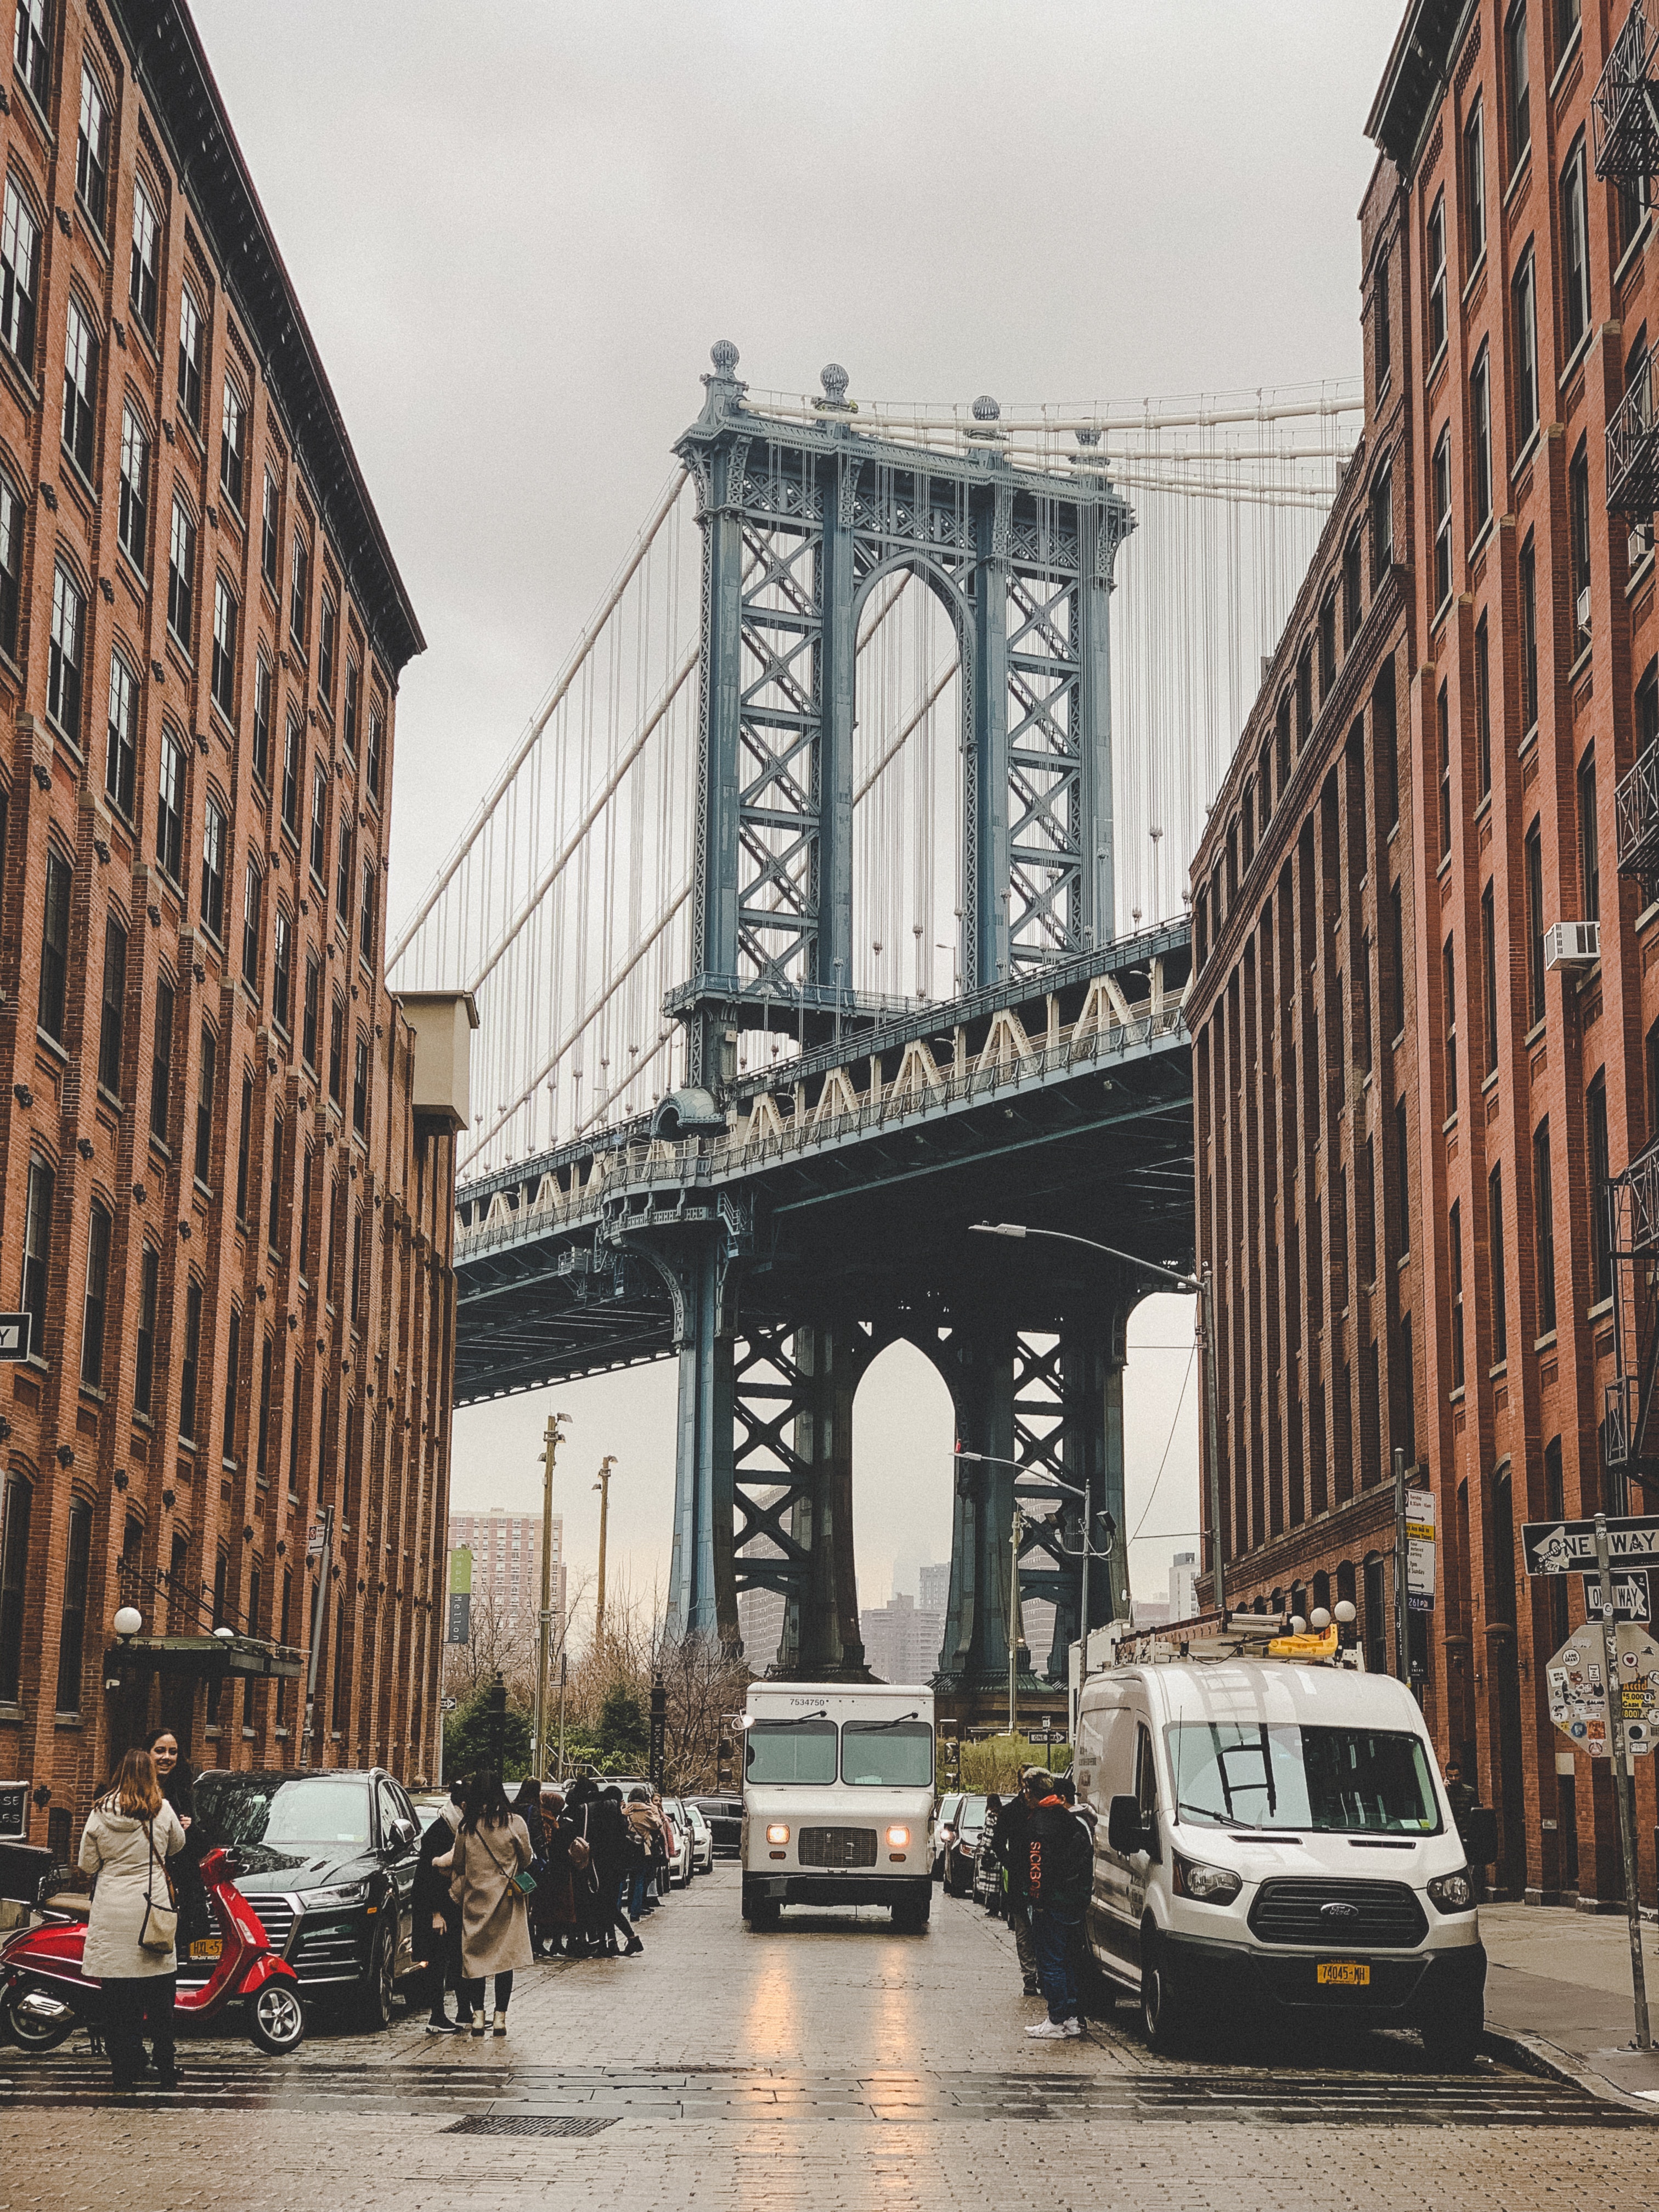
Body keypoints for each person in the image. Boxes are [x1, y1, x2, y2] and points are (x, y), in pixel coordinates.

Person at [79, 1747, 188, 2090]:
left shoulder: (99, 1813)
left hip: (113, 1911)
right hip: (151, 1909)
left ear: (119, 1774)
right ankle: (166, 2067)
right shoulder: (163, 1808)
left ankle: (124, 2071)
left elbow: (87, 1864)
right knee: (159, 1998)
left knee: (117, 2001)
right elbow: (177, 1847)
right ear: (151, 1775)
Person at [448, 1769, 533, 2037]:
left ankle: (477, 2017)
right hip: (507, 1901)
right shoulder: (515, 1823)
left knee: (475, 1962)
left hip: (475, 1902)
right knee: (503, 1961)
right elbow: (528, 1858)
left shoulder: (467, 1827)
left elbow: (459, 1864)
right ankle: (500, 2019)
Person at [1023, 1768, 1093, 2041]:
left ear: (1031, 1792)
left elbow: (1036, 1866)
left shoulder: (1040, 1823)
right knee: (1068, 1961)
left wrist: (1037, 1900)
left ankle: (1056, 2019)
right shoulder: (1070, 1820)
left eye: (1025, 1790)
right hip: (1074, 1902)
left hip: (1052, 1903)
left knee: (1050, 1962)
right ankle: (1073, 2018)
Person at [143, 1727, 206, 1950]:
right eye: (160, 1751)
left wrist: (189, 1830)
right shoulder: (136, 1792)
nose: (166, 1758)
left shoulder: (182, 1791)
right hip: (147, 1886)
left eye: (173, 1752)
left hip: (180, 1886)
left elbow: (200, 1846)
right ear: (147, 1754)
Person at [413, 1779, 467, 2032]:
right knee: (438, 1961)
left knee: (454, 1957)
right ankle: (437, 2017)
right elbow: (426, 1875)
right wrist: (435, 1913)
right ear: (463, 1805)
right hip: (436, 1906)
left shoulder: (454, 1826)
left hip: (449, 1904)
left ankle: (462, 2011)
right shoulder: (441, 1830)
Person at [990, 1773, 1040, 1996]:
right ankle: (1030, 1976)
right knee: (1023, 1930)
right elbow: (997, 1843)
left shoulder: (1043, 1809)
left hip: (1043, 1879)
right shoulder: (1011, 1812)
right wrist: (1012, 1864)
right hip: (1021, 1879)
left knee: (1040, 1930)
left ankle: (1042, 1975)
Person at [624, 1788, 657, 1923]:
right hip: (641, 1849)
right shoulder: (646, 1811)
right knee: (639, 1881)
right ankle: (635, 1913)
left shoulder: (625, 1810)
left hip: (626, 1848)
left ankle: (619, 1909)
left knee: (624, 1880)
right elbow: (657, 1824)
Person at [980, 1794, 1004, 1916]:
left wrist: (984, 1850)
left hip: (991, 1853)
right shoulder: (1002, 1814)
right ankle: (999, 1907)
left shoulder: (991, 1816)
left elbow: (989, 1835)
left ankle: (993, 1908)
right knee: (999, 1883)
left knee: (991, 1883)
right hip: (1000, 1852)